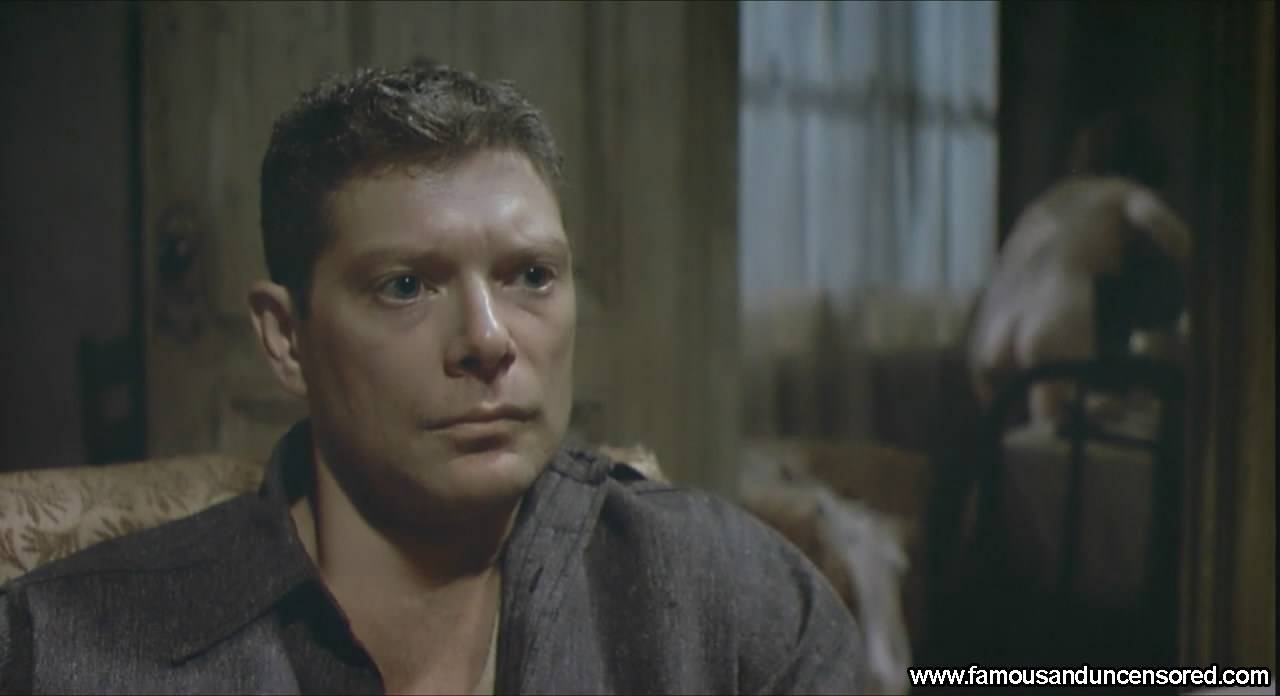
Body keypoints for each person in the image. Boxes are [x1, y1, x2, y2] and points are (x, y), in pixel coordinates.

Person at [0, 63, 862, 694]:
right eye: (406, 286)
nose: (488, 340)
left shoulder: (736, 599)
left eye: (531, 276)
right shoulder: (66, 651)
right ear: (286, 337)